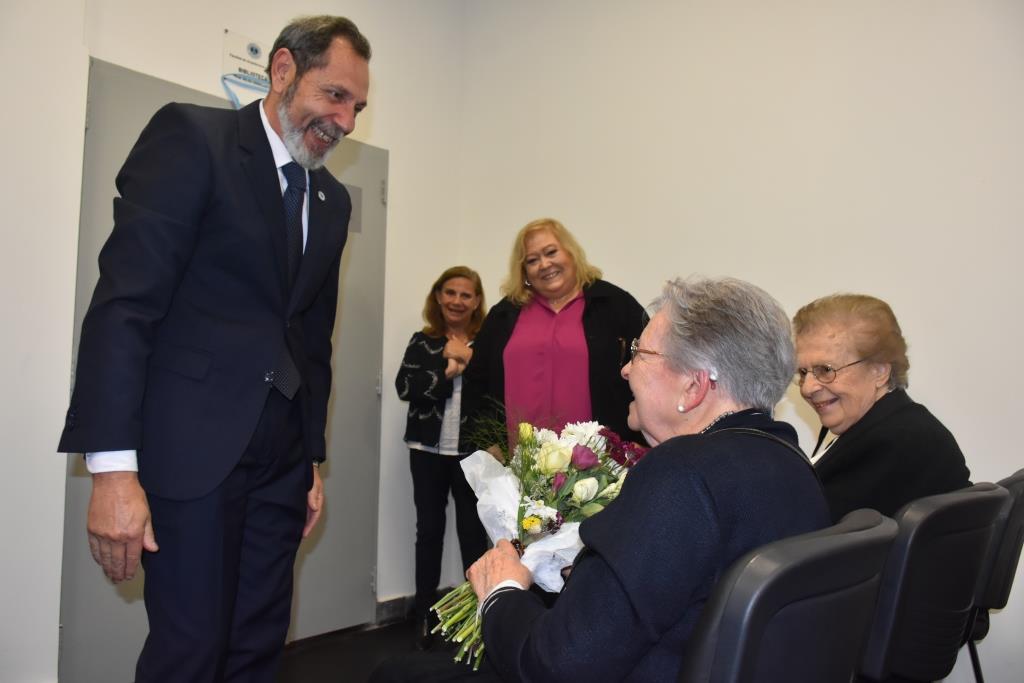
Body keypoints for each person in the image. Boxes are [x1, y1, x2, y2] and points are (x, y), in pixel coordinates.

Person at [56, 16, 371, 682]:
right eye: (336, 95)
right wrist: (112, 468)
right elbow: (125, 305)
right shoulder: (193, 140)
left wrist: (311, 456)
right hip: (192, 453)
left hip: (281, 462)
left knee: (258, 649)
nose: (345, 120)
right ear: (283, 69)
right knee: (190, 652)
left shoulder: (333, 201)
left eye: (357, 107)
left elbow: (313, 340)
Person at [375, 276, 830, 682]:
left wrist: (501, 591)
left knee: (394, 673)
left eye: (640, 352)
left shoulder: (681, 474)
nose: (625, 368)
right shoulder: (790, 462)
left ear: (693, 386)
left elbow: (556, 664)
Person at [463, 218, 646, 445]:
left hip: (598, 465)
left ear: (571, 253)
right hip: (519, 463)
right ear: (524, 273)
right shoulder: (504, 315)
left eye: (551, 252)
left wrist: (639, 440)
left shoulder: (615, 305)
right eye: (532, 260)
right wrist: (488, 444)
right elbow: (476, 382)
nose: (544, 264)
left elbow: (650, 371)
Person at [793, 293, 971, 522]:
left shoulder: (893, 443)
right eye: (803, 373)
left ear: (879, 371)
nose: (808, 388)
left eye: (825, 370)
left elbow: (806, 536)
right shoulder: (905, 425)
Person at [396, 266, 491, 650]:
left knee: (473, 535)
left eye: (465, 294)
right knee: (429, 532)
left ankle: (477, 616)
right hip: (427, 453)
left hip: (471, 455)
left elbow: (493, 388)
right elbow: (406, 386)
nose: (457, 300)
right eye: (450, 292)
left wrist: (468, 358)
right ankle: (425, 613)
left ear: (477, 301)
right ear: (438, 296)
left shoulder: (486, 344)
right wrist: (448, 369)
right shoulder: (424, 341)